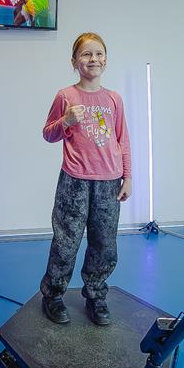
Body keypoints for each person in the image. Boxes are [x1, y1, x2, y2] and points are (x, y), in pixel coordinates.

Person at [38, 33, 131, 327]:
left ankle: (96, 295)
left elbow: (122, 140)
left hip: (109, 182)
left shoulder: (114, 99)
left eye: (99, 53)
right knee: (66, 241)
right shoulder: (66, 96)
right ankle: (53, 295)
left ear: (106, 60)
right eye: (86, 54)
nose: (94, 59)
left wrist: (128, 176)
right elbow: (48, 134)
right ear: (74, 61)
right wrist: (65, 121)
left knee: (104, 243)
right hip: (75, 181)